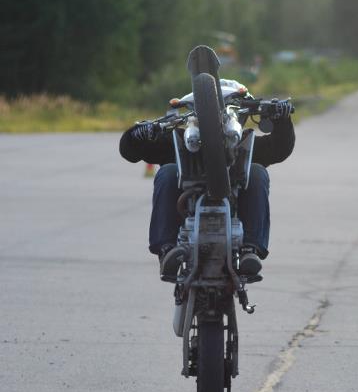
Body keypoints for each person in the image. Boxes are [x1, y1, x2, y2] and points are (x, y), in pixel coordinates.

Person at [119, 80, 295, 281]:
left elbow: (279, 148)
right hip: (185, 214)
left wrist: (282, 119)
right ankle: (167, 249)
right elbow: (130, 152)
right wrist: (138, 134)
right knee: (167, 172)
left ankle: (250, 249)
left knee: (257, 173)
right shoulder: (179, 141)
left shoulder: (246, 145)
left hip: (237, 215)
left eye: (228, 108)